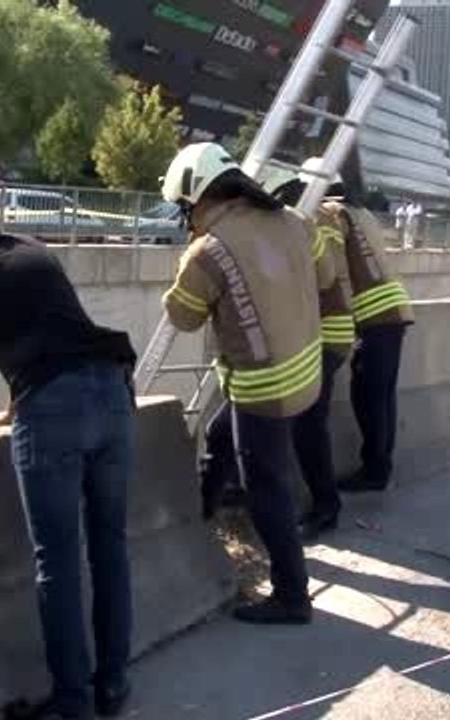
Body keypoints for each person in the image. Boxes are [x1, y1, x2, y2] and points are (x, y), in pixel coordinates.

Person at [0, 200, 137, 719]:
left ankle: (71, 704)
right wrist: (14, 407)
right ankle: (113, 685)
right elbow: (56, 328)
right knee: (109, 546)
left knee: (57, 563)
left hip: (53, 406)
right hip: (112, 388)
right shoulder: (34, 248)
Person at [162, 142, 329, 624]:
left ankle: (292, 596)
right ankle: (204, 507)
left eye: (184, 209)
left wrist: (186, 265)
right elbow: (321, 273)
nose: (185, 217)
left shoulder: (208, 250)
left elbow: (183, 317)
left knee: (267, 490)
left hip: (263, 386)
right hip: (305, 370)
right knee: (219, 433)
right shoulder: (294, 221)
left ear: (197, 197)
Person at [304, 160, 414, 495]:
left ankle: (375, 472)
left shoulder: (330, 213)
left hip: (374, 315)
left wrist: (337, 320)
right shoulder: (361, 211)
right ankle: (381, 465)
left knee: (367, 396)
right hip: (395, 308)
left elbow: (335, 271)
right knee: (382, 395)